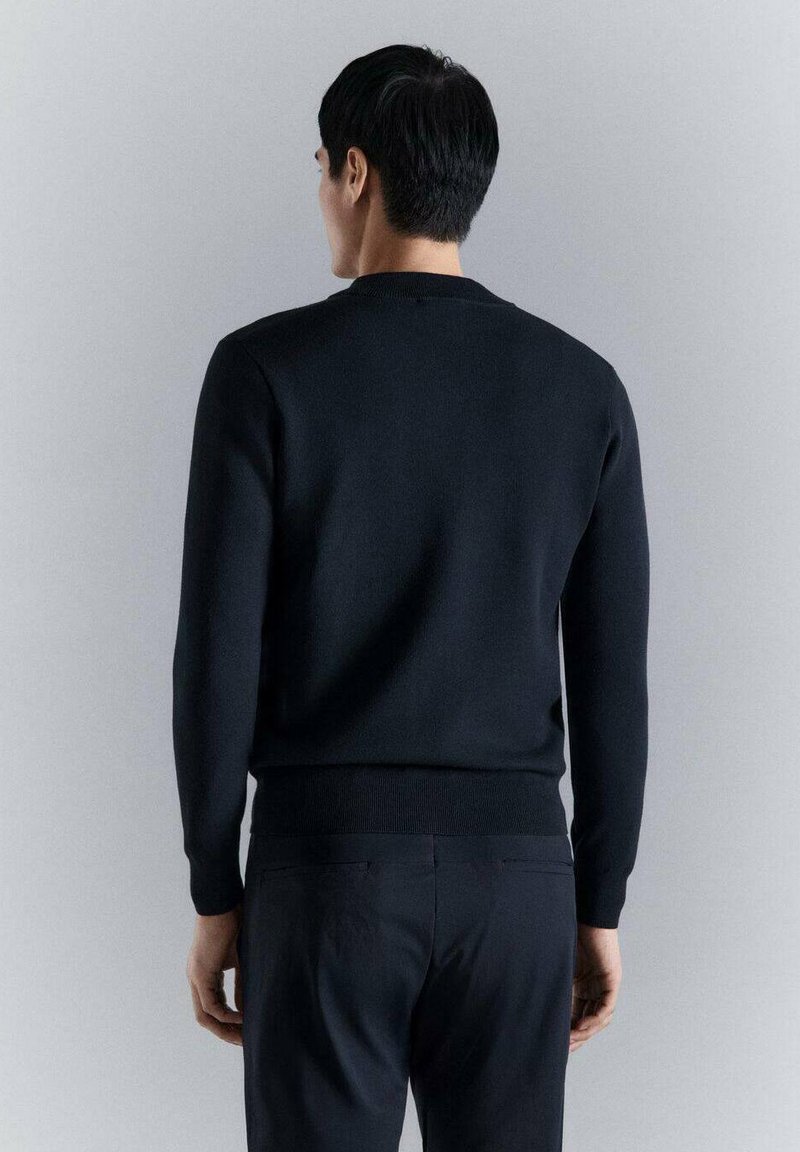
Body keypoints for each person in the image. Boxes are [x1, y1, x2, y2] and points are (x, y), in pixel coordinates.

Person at [172, 43, 650, 1152]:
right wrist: (598, 902)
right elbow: (610, 679)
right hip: (517, 883)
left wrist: (213, 888)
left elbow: (216, 657)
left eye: (321, 169)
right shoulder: (583, 389)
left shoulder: (263, 372)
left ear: (354, 171)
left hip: (324, 877)